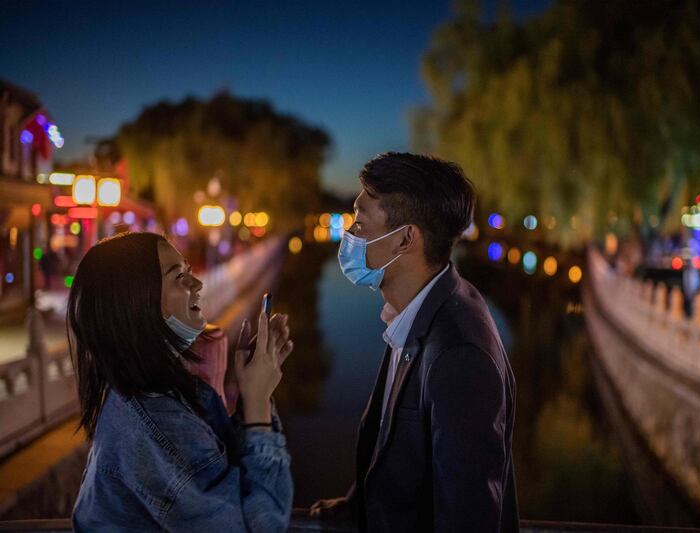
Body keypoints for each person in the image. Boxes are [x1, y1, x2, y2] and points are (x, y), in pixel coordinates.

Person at [310, 153, 518, 532]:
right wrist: (361, 505)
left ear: (405, 239)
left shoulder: (459, 355)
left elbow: (467, 519)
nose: (349, 236)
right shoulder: (422, 306)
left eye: (360, 223)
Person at [70, 232, 294, 532]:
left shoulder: (157, 395)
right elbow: (260, 526)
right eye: (179, 277)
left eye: (189, 271)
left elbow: (227, 475)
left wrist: (254, 393)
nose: (197, 284)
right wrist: (257, 403)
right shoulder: (155, 424)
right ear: (137, 302)